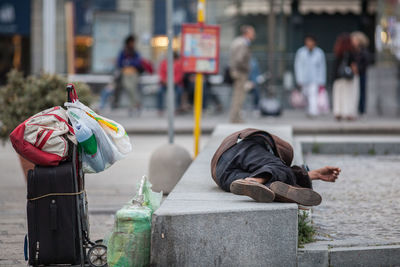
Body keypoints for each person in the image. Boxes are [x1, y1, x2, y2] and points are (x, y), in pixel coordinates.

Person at [211, 128, 340, 205]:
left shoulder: (256, 161)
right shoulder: (256, 145)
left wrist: (315, 175)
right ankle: (255, 181)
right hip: (236, 151)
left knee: (268, 186)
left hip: (221, 175)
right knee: (279, 169)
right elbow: (280, 169)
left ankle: (269, 189)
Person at [294, 35, 327, 117]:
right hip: (304, 78)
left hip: (315, 78)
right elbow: (298, 66)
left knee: (313, 95)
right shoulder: (301, 52)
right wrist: (299, 79)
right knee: (306, 95)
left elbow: (322, 67)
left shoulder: (319, 53)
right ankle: (309, 109)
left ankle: (313, 111)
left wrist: (322, 81)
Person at [229, 25, 256, 123]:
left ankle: (235, 116)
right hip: (240, 72)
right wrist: (247, 68)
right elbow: (239, 60)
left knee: (238, 95)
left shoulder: (238, 41)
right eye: (252, 33)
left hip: (236, 71)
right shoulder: (243, 44)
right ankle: (235, 117)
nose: (254, 35)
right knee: (239, 95)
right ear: (247, 33)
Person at [332, 33, 359, 121]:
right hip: (347, 77)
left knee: (338, 95)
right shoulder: (351, 52)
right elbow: (354, 66)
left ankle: (338, 112)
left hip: (338, 77)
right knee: (348, 95)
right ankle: (348, 113)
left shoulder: (338, 52)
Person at [115, 35, 143, 115]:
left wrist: (128, 62)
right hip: (125, 73)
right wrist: (128, 63)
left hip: (134, 73)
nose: (132, 44)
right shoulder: (123, 52)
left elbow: (138, 62)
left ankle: (131, 106)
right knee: (129, 88)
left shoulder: (135, 52)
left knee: (133, 89)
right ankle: (137, 104)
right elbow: (120, 63)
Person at [351, 31, 370, 115]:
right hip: (353, 74)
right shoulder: (352, 51)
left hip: (361, 74)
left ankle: (361, 109)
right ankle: (354, 108)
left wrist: (358, 69)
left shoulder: (363, 51)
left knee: (362, 91)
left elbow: (366, 63)